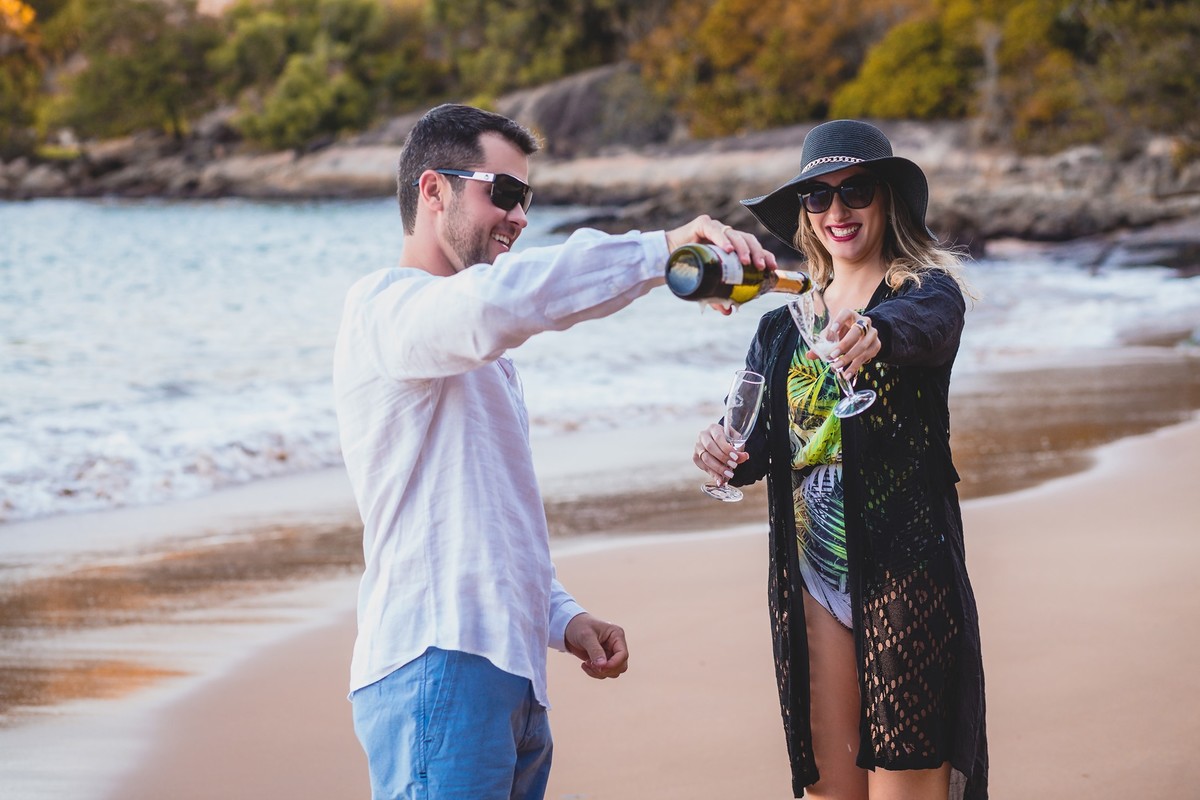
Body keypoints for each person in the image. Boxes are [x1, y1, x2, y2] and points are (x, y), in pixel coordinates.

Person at [332, 103, 774, 800]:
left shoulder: (478, 352)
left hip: (506, 672)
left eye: (526, 198)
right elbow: (500, 303)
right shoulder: (386, 309)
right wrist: (658, 251)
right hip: (435, 664)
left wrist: (562, 616)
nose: (518, 217)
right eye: (502, 193)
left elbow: (486, 518)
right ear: (432, 190)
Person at [693, 119, 988, 799]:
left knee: (905, 783)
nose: (837, 212)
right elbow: (759, 446)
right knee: (830, 789)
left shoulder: (923, 293)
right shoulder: (781, 322)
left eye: (854, 191)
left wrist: (874, 333)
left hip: (905, 572)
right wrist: (721, 453)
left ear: (886, 200)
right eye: (818, 199)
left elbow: (925, 333)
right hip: (811, 577)